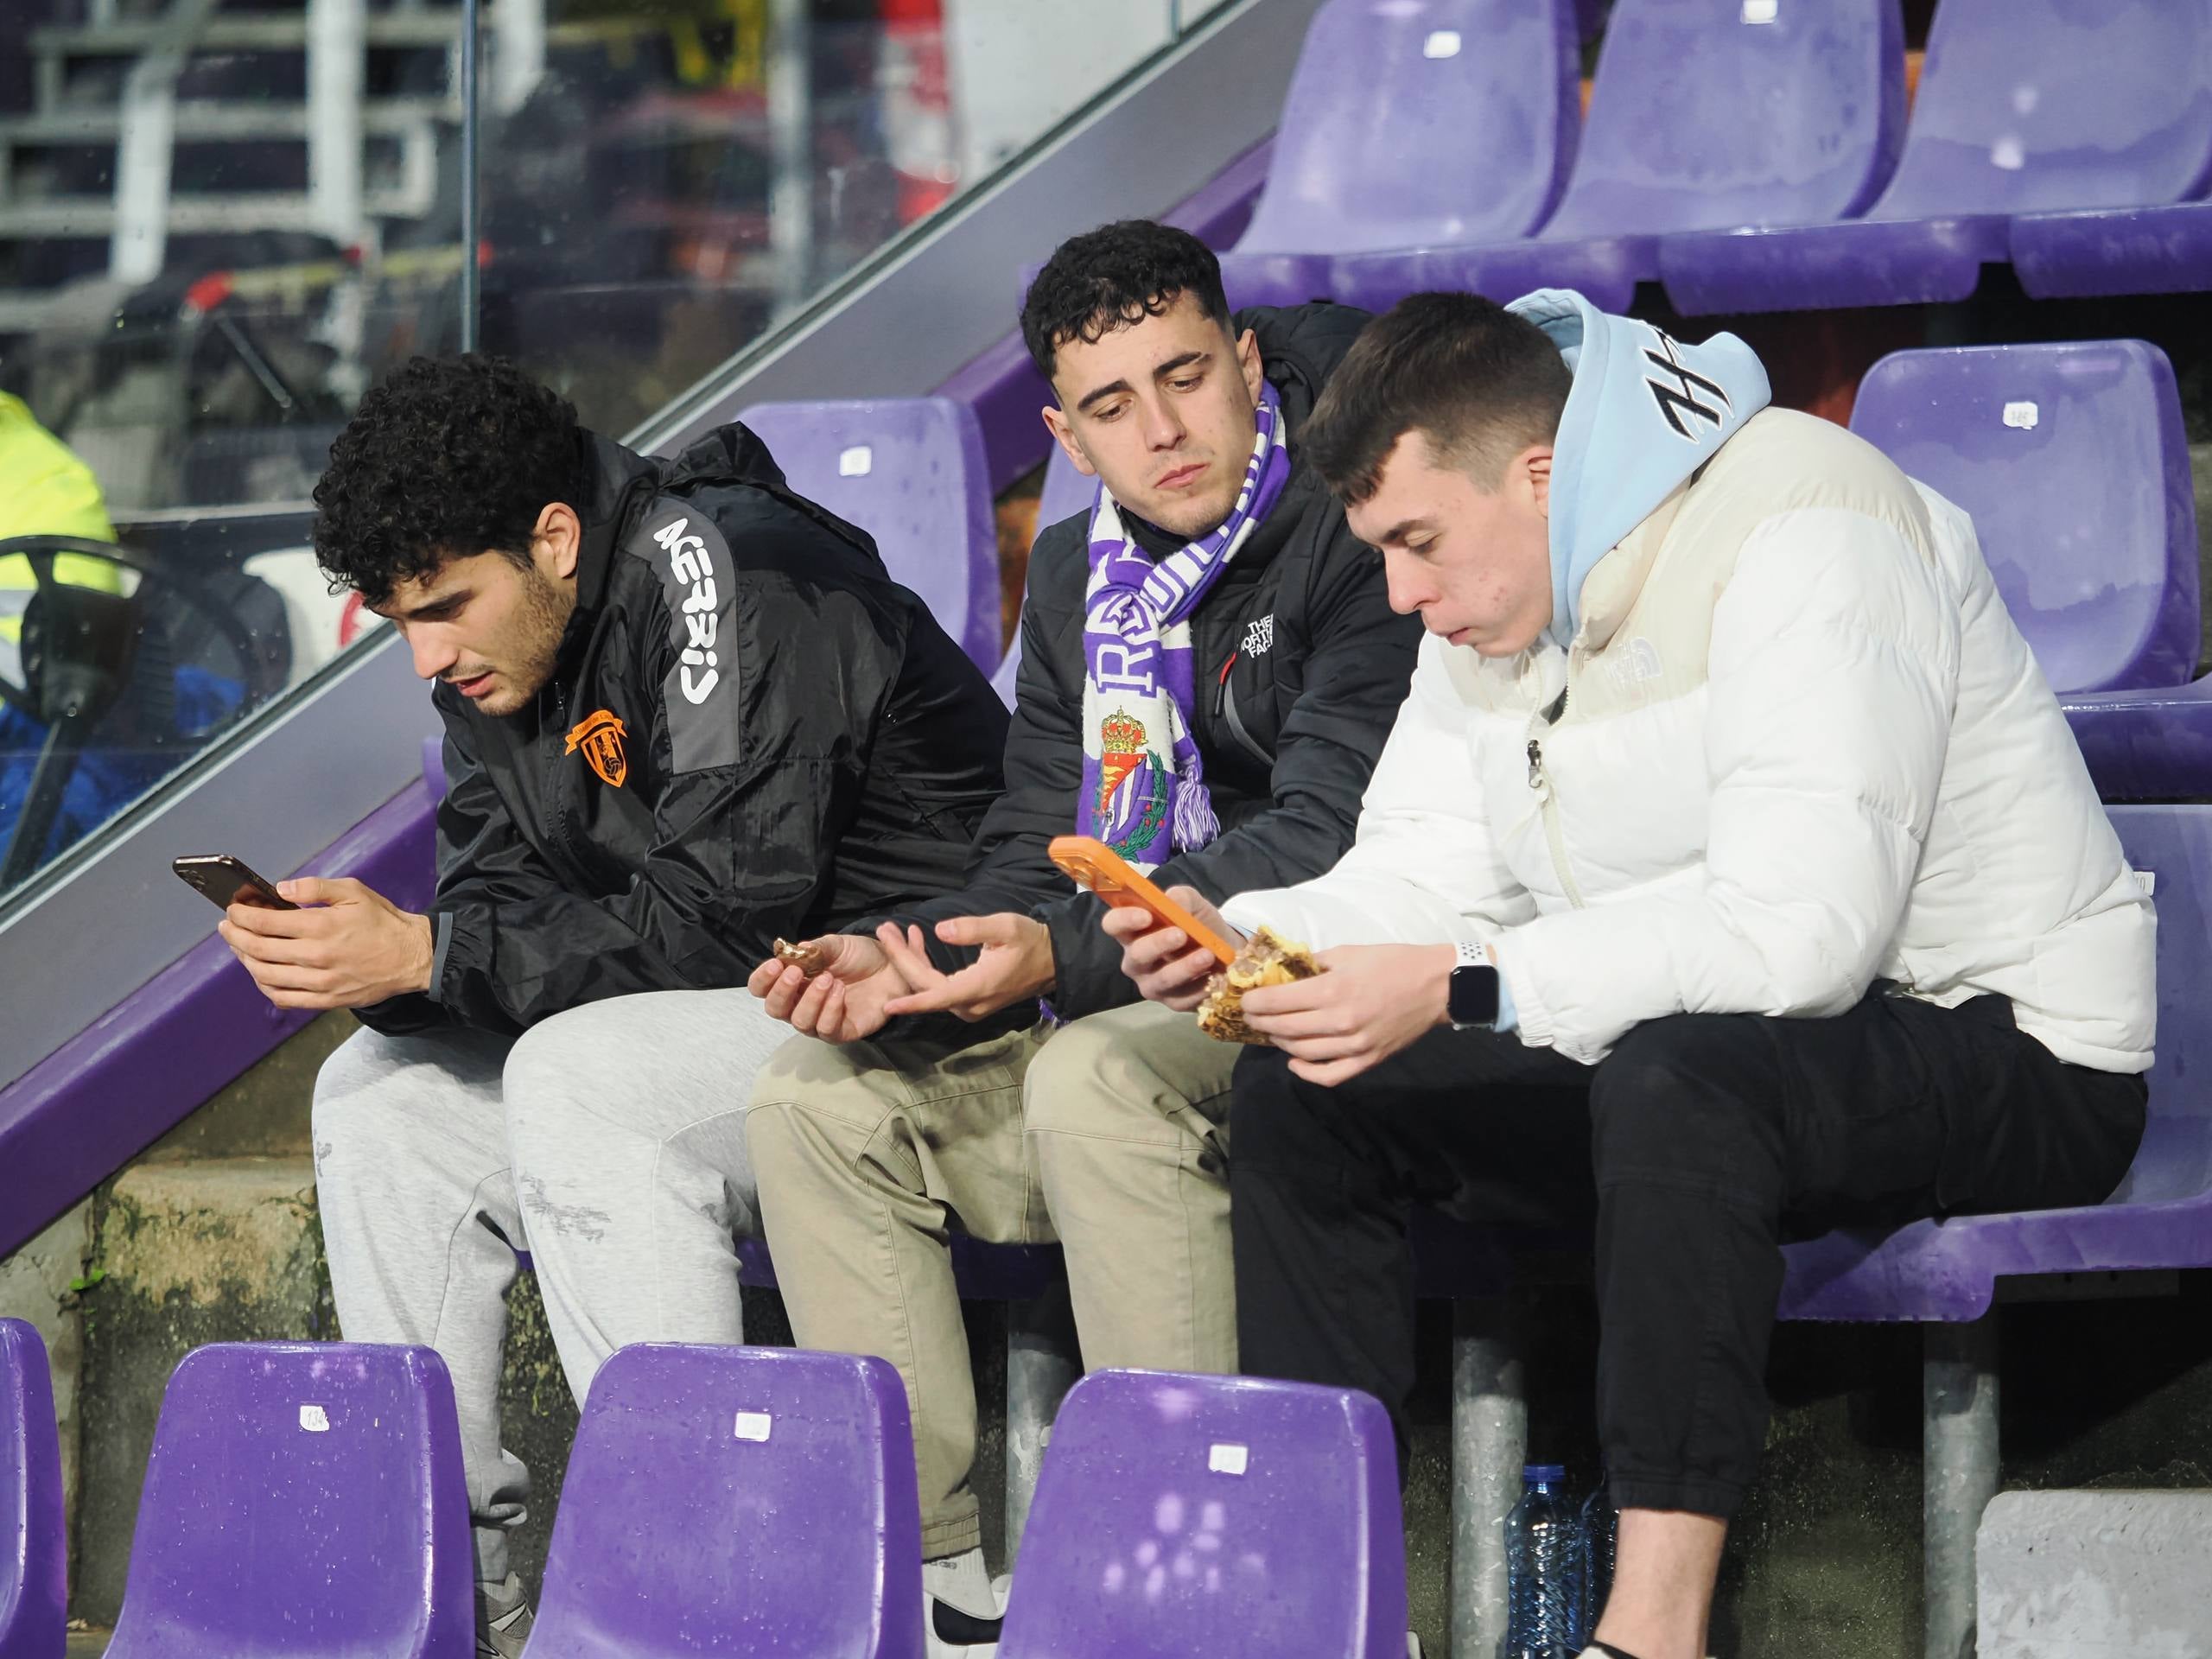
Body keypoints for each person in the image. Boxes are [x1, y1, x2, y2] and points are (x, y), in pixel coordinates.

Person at [1113, 290, 2154, 1659]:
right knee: (1317, 1092)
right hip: (1703, 1040)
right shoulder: (1481, 611)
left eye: (1418, 543)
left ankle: (1653, 1632)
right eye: (1381, 555)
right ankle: (1322, 1610)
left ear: (1539, 474)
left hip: (2008, 1038)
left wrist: (1467, 983)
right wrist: (1250, 934)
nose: (1403, 596)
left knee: (1680, 1075)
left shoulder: (1811, 518)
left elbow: (1804, 937)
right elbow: (1424, 868)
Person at [220, 353, 1008, 1655]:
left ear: (554, 536)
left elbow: (728, 920)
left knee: (582, 1076)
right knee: (380, 1103)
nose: (427, 653)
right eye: (401, 617)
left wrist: (427, 956)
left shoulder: (727, 576)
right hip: (739, 1018)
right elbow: (501, 911)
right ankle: (450, 1597)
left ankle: (708, 1592)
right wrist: (387, 969)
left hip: (920, 1006)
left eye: (448, 606)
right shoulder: (502, 655)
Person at [743, 220, 1420, 1655]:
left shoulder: (1361, 511)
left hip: (1313, 978)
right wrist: (921, 957)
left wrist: (1066, 960)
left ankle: (1202, 1585)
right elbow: (1032, 840)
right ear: (1062, 429)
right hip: (1132, 977)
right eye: (1112, 406)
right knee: (811, 1102)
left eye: (1187, 377)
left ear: (1246, 361)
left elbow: (1327, 838)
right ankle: (929, 1591)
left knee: (1091, 1078)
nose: (1163, 430)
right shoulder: (1074, 578)